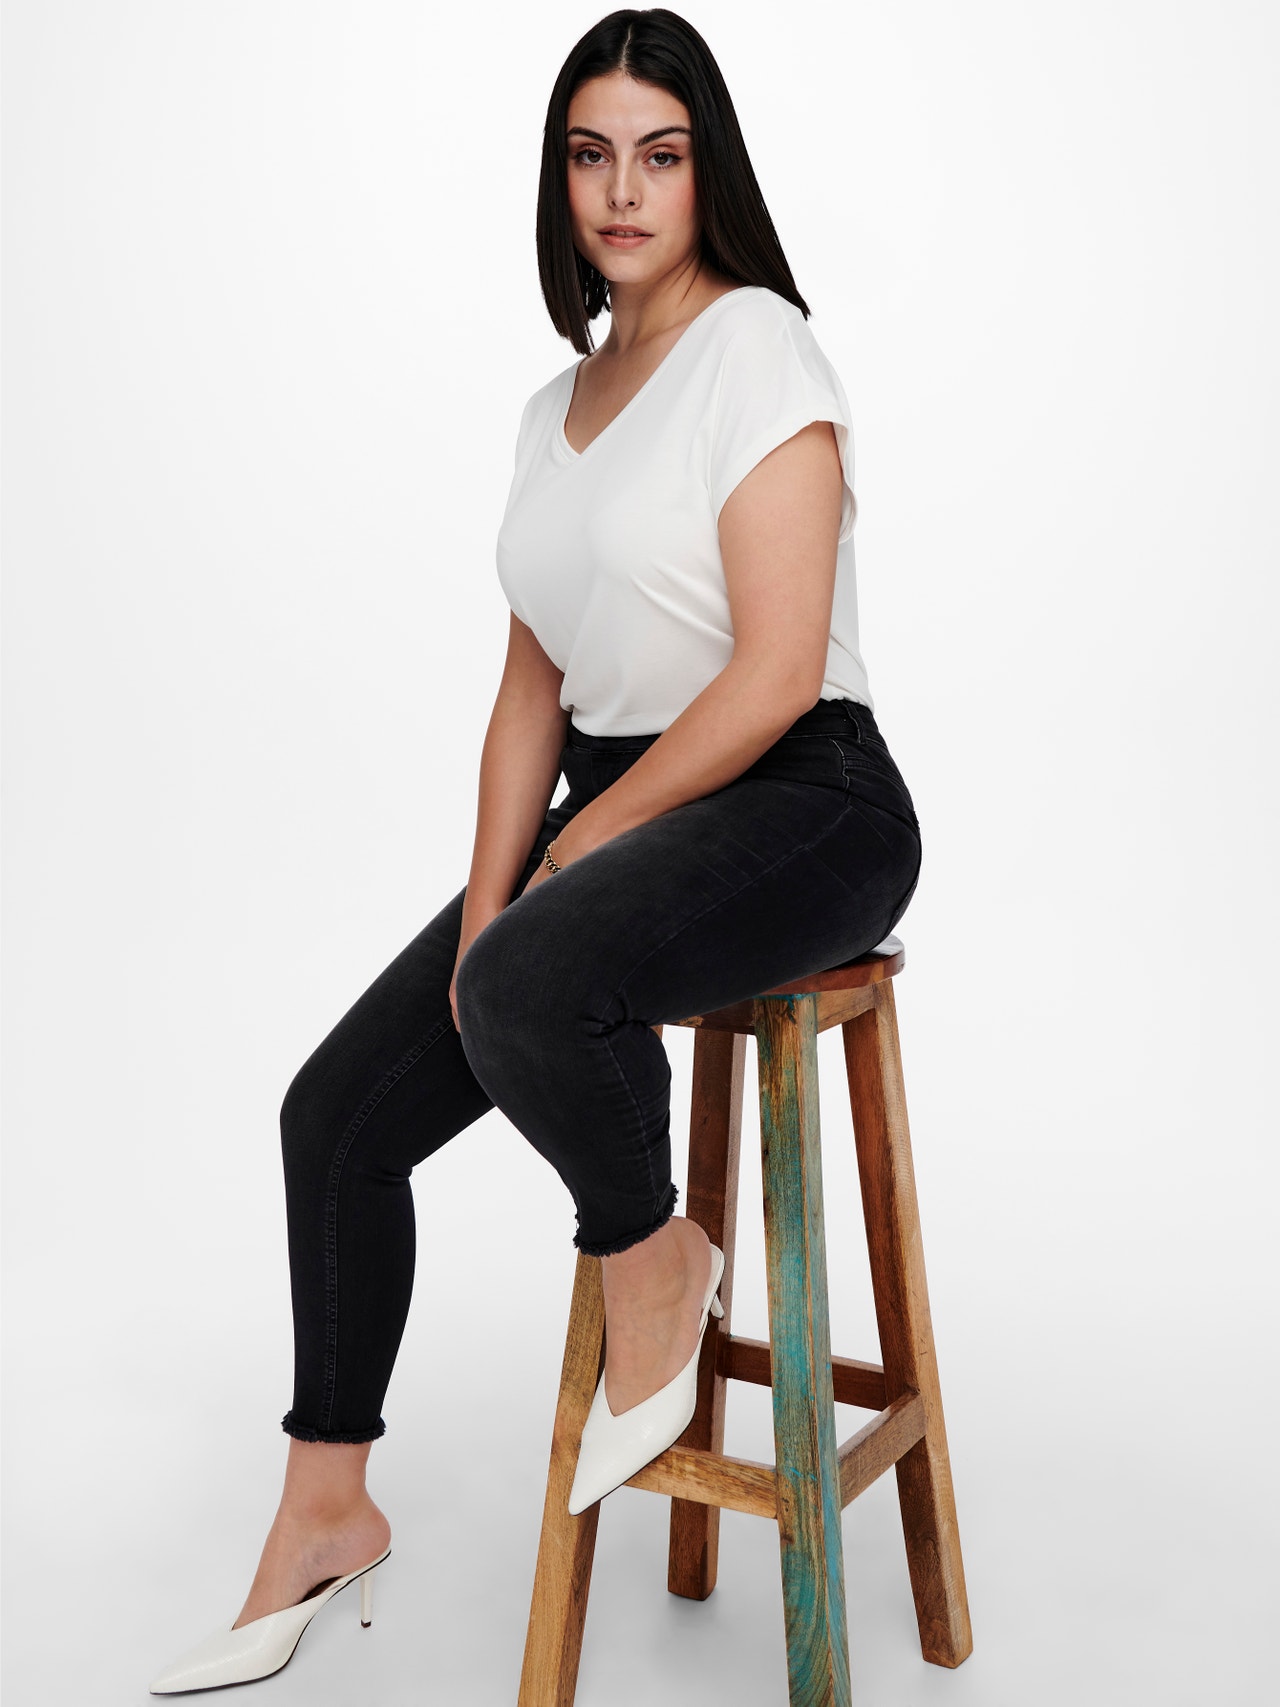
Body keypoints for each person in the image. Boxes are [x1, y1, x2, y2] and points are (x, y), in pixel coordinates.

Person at [149, 7, 922, 1695]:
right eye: (591, 155)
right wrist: (491, 910)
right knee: (336, 1117)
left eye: (661, 154)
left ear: (707, 171)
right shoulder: (552, 410)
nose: (623, 191)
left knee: (531, 974)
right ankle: (326, 1507)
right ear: (560, 180)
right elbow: (528, 701)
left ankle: (654, 1252)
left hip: (803, 800)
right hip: (623, 815)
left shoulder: (761, 348)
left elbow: (776, 671)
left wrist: (572, 873)